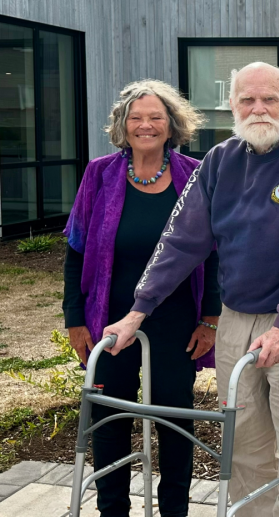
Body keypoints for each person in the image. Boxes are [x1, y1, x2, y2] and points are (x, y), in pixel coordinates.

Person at [104, 62, 279, 517]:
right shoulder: (220, 161)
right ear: (231, 106)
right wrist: (138, 311)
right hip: (235, 318)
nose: (259, 109)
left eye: (270, 99)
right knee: (244, 442)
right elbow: (181, 240)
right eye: (247, 100)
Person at [62, 80, 221, 517]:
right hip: (109, 319)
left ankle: (175, 511)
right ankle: (112, 510)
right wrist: (75, 319)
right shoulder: (100, 174)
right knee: (109, 420)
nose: (145, 125)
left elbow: (214, 254)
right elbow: (76, 250)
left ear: (171, 125)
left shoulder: (196, 173)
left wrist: (209, 318)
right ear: (122, 125)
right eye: (136, 117)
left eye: (155, 117)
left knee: (175, 422)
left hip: (178, 323)